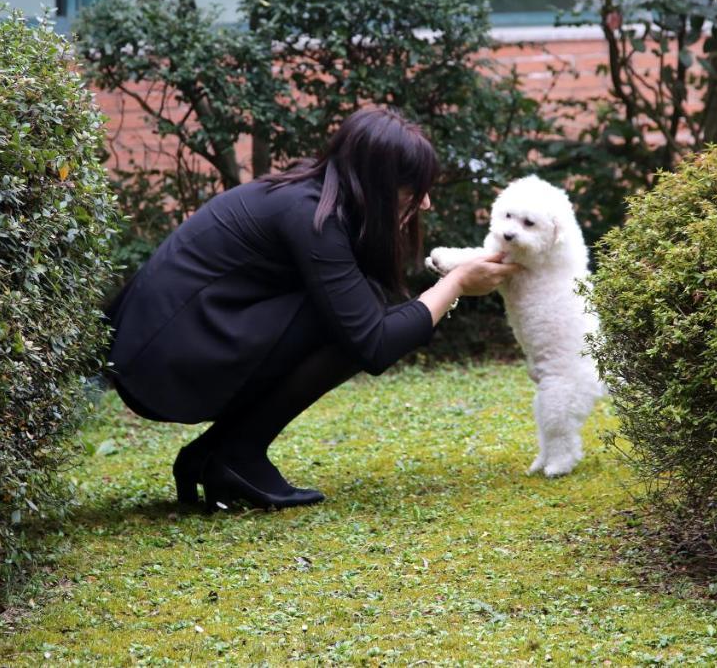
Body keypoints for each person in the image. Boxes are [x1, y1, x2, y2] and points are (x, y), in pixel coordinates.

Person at [105, 107, 519, 511]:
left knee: (360, 305)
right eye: (413, 191)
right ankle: (236, 454)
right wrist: (457, 283)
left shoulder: (316, 197)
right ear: (378, 186)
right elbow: (374, 344)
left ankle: (219, 454)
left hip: (175, 343)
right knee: (356, 323)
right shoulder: (310, 215)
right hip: (165, 363)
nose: (424, 204)